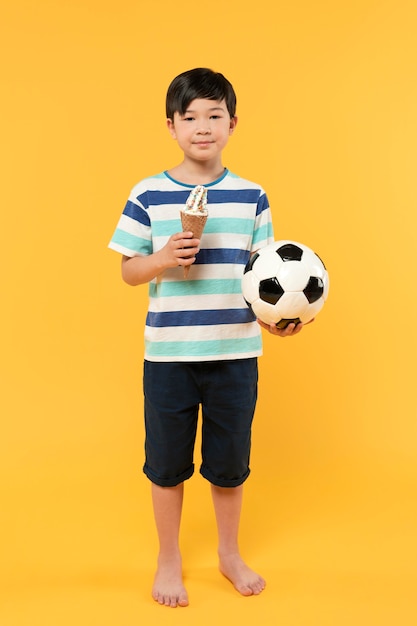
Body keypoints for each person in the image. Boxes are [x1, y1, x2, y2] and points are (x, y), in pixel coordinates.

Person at [108, 67, 306, 608]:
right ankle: (168, 557)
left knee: (229, 463)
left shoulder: (252, 196)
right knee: (167, 465)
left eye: (214, 115)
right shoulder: (147, 193)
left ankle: (228, 552)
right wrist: (162, 259)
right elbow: (128, 270)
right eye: (189, 117)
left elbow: (262, 276)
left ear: (233, 123)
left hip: (235, 354)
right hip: (170, 355)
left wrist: (274, 319)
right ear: (170, 126)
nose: (202, 127)